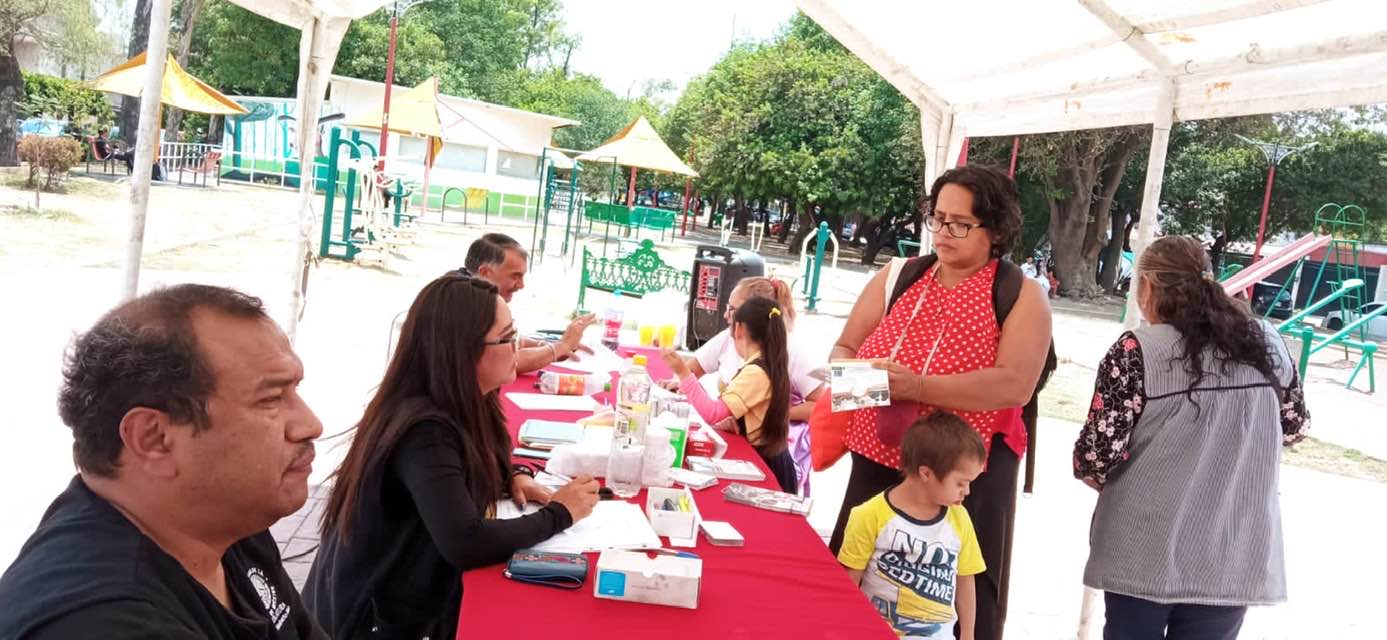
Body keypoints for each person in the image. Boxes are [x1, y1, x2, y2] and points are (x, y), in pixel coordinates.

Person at [0, 285, 327, 639]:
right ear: (154, 439)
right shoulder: (100, 622)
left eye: (294, 391)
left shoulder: (225, 526)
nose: (311, 424)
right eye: (271, 399)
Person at [304, 273, 599, 639]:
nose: (517, 347)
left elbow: (477, 461)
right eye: (507, 337)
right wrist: (561, 514)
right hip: (371, 618)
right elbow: (466, 542)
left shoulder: (468, 399)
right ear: (462, 351)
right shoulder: (424, 430)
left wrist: (516, 475)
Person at [827, 165, 1052, 640]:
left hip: (963, 475)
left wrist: (918, 388)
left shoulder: (1019, 294)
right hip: (878, 455)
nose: (944, 232)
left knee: (962, 588)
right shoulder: (899, 275)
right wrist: (873, 384)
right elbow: (843, 351)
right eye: (938, 218)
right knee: (854, 570)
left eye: (960, 224)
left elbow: (1015, 384)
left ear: (996, 231)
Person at [1073, 236, 1309, 640]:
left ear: (1147, 285)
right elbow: (1295, 426)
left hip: (1142, 550)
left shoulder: (1135, 351)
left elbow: (1095, 457)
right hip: (1231, 547)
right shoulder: (1267, 342)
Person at [838, 412, 987, 640]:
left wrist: (968, 633)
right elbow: (850, 579)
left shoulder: (960, 519)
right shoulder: (868, 515)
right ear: (926, 473)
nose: (967, 491)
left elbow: (966, 578)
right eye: (961, 483)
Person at [662, 295, 797, 493]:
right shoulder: (766, 363)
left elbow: (713, 413)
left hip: (767, 464)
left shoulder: (757, 372)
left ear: (738, 329)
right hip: (768, 457)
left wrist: (683, 373)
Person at [666, 277, 825, 422]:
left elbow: (828, 404)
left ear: (752, 315)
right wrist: (678, 380)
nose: (725, 315)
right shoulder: (729, 338)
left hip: (776, 439)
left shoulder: (777, 359)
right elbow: (692, 371)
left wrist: (773, 417)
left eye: (732, 309)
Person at [462, 233, 597, 374]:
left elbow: (513, 342)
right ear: (484, 273)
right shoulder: (465, 305)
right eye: (515, 276)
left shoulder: (471, 292)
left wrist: (550, 346)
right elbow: (503, 363)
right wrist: (559, 348)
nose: (521, 285)